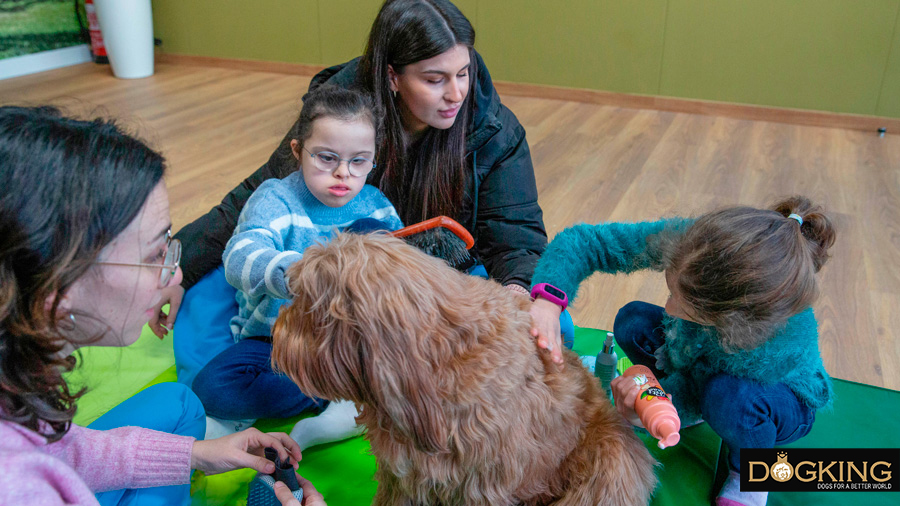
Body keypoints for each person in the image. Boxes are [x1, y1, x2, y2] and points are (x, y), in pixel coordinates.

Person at [165, 0, 570, 390]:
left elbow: (516, 234)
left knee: (556, 325)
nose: (456, 94)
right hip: (326, 272)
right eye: (434, 80)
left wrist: (518, 298)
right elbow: (258, 196)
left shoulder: (495, 128)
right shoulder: (338, 116)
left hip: (433, 274)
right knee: (204, 303)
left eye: (464, 73)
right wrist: (173, 266)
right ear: (393, 77)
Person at [0, 106, 324, 506]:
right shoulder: (19, 484)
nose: (173, 277)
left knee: (178, 403)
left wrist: (199, 454)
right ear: (59, 280)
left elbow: (55, 449)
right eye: (155, 254)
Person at [529, 197, 836, 506]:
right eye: (670, 290)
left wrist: (657, 411)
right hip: (704, 352)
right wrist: (549, 299)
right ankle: (686, 401)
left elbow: (700, 383)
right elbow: (587, 242)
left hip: (774, 397)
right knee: (633, 320)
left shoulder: (774, 340)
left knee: (728, 397)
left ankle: (750, 474)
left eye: (680, 300)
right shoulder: (697, 242)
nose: (667, 305)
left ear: (727, 321)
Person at [192, 86, 403, 443]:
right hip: (275, 340)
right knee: (211, 388)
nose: (343, 173)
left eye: (358, 161)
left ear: (372, 160)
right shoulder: (276, 198)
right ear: (297, 151)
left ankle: (344, 391)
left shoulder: (376, 204)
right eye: (326, 158)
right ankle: (341, 394)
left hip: (350, 342)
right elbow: (240, 258)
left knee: (375, 235)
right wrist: (301, 273)